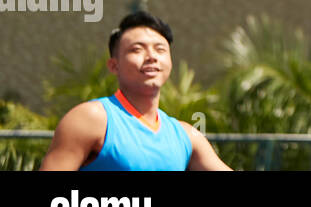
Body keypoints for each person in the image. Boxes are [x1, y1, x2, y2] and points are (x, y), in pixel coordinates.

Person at [39, 12, 231, 171]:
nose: (152, 57)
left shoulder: (187, 136)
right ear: (114, 65)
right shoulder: (91, 118)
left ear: (170, 62)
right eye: (137, 49)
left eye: (160, 49)